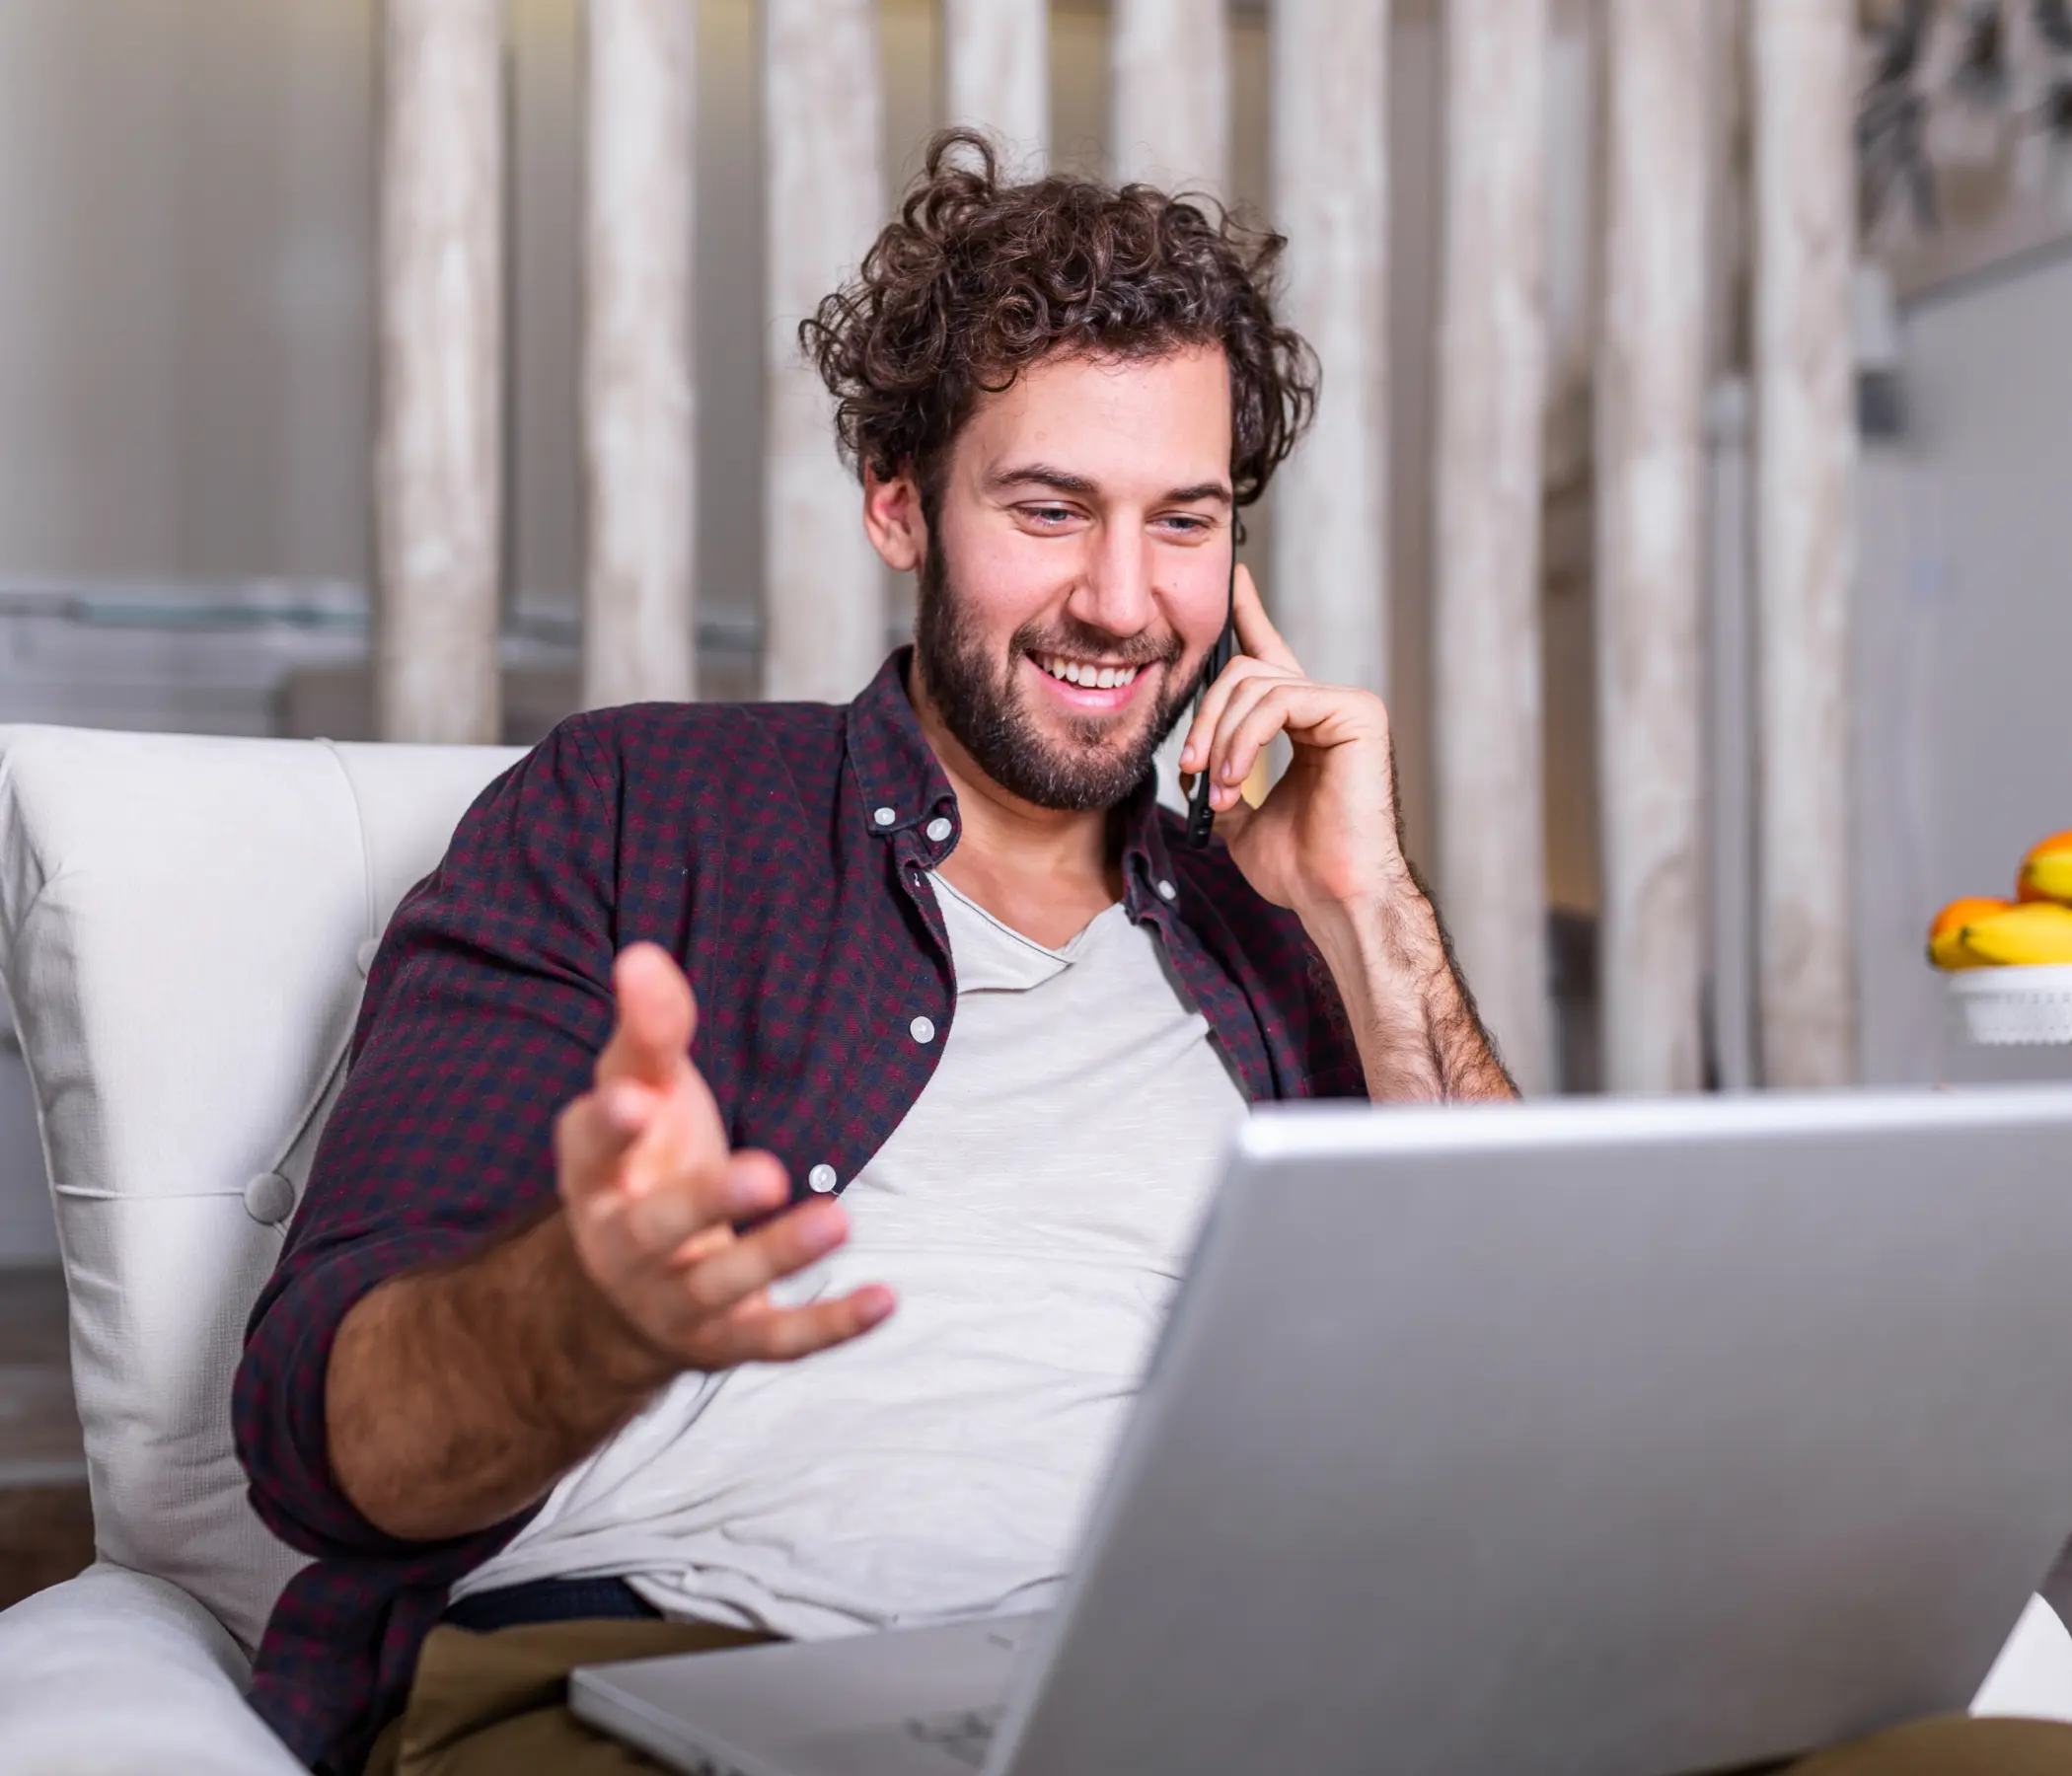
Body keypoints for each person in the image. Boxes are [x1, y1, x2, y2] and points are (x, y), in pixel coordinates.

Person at [233, 133, 2068, 1776]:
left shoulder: (1275, 933)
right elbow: (336, 1454)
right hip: (696, 1665)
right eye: (1049, 510)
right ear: (899, 500)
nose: (1124, 600)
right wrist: (596, 1307)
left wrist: (1371, 911)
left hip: (1298, 1676)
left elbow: (1535, 1404)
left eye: (1183, 521)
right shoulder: (638, 809)